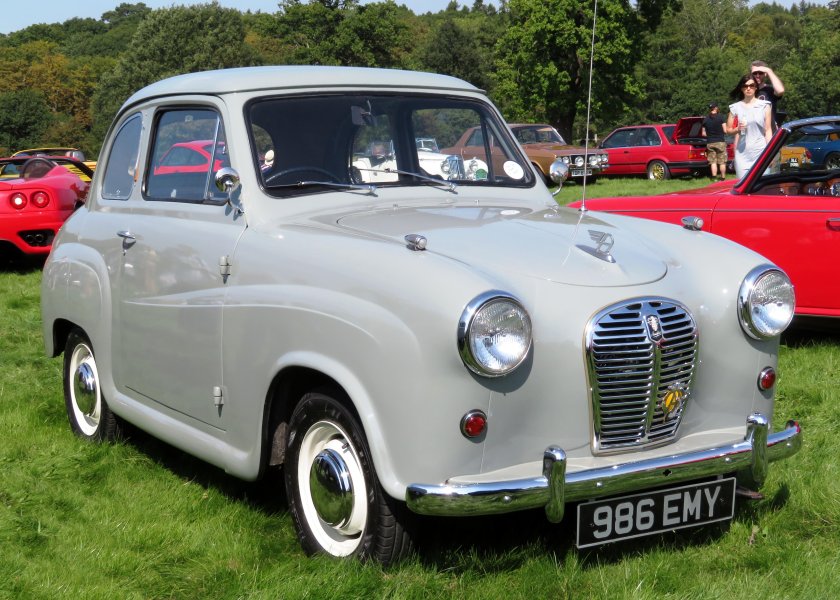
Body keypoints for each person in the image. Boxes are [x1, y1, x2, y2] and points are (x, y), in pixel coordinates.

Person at [727, 73, 772, 179]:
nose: (748, 88)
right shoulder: (735, 108)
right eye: (745, 86)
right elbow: (728, 130)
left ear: (756, 87)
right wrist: (737, 129)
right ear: (741, 88)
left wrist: (771, 153)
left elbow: (768, 130)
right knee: (743, 190)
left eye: (751, 86)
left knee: (761, 188)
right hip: (742, 155)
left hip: (761, 153)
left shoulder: (765, 106)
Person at [749, 60, 785, 129]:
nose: (757, 75)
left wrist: (769, 71)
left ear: (765, 74)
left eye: (760, 73)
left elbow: (780, 90)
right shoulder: (747, 90)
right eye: (755, 73)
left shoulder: (770, 90)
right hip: (752, 131)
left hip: (769, 130)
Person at [701, 102, 728, 180]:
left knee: (713, 162)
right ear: (716, 108)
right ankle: (722, 178)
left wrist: (710, 135)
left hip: (710, 142)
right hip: (720, 141)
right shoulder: (721, 117)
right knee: (722, 161)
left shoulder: (705, 119)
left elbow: (703, 133)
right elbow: (725, 131)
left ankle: (714, 178)